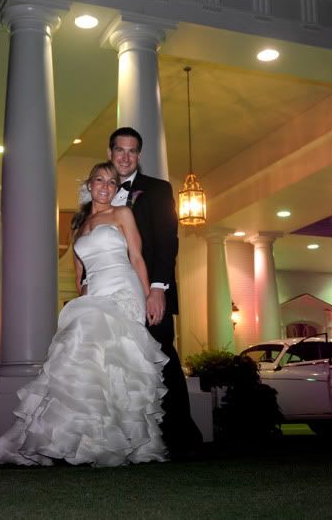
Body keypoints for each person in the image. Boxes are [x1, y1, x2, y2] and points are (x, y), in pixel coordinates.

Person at [0, 162, 169, 467]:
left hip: (123, 289)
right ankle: (83, 441)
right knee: (82, 362)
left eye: (112, 182)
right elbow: (79, 271)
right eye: (100, 180)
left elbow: (136, 257)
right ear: (90, 184)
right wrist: (84, 296)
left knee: (118, 363)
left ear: (115, 188)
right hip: (95, 294)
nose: (105, 186)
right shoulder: (79, 225)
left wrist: (149, 295)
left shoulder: (122, 214)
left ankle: (128, 442)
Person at [107, 127, 203, 457]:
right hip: (112, 293)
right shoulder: (100, 191)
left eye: (132, 151)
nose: (125, 157)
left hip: (149, 292)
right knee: (118, 363)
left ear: (139, 155)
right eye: (120, 150)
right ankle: (127, 438)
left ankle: (181, 437)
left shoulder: (158, 189)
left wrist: (158, 289)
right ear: (110, 153)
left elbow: (166, 242)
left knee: (162, 358)